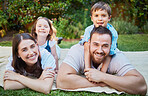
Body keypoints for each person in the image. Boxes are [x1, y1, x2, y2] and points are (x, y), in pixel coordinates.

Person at [57, 26, 147, 95]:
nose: (100, 50)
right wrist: (102, 84)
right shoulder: (77, 51)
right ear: (89, 43)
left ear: (111, 46)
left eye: (105, 46)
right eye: (95, 44)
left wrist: (102, 77)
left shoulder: (116, 56)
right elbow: (61, 80)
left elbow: (141, 86)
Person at [79, 1, 118, 72]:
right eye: (96, 16)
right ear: (92, 18)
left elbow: (110, 52)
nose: (100, 19)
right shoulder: (89, 29)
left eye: (103, 15)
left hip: (106, 49)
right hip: (92, 47)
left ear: (109, 18)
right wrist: (88, 68)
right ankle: (87, 67)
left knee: (112, 52)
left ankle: (102, 69)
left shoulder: (113, 33)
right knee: (86, 44)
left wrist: (103, 72)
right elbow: (87, 47)